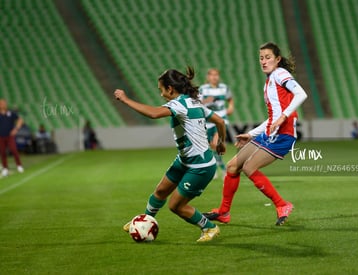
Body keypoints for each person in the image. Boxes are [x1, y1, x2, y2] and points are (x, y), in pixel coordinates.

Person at [114, 66, 226, 242]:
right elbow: (220, 121)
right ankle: (144, 221)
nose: (161, 94)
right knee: (160, 191)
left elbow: (153, 113)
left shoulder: (179, 104)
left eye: (161, 90)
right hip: (185, 160)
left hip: (200, 166)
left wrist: (125, 99)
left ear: (170, 88)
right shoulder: (194, 102)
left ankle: (210, 227)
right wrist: (220, 143)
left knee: (176, 206)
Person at [204, 42, 308, 226]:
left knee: (249, 168)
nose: (263, 61)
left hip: (283, 135)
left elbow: (301, 94)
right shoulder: (269, 82)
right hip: (270, 132)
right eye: (261, 58)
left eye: (268, 57)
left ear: (277, 60)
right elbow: (272, 118)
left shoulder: (280, 74)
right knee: (232, 166)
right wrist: (251, 134)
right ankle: (224, 212)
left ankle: (282, 205)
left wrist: (284, 116)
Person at [199, 69, 234, 179]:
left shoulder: (224, 87)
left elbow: (230, 99)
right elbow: (198, 103)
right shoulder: (202, 89)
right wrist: (207, 101)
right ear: (208, 77)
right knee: (211, 147)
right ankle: (214, 169)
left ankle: (224, 170)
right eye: (212, 75)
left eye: (216, 75)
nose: (214, 77)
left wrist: (231, 107)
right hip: (208, 121)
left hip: (221, 119)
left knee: (215, 144)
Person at [0, 99, 24, 177]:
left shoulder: (11, 113)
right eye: (1, 103)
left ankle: (19, 165)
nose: (3, 105)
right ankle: (5, 168)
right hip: (1, 136)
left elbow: (20, 120)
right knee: (3, 152)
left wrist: (16, 129)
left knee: (14, 150)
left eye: (4, 103)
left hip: (10, 136)